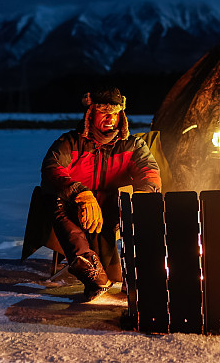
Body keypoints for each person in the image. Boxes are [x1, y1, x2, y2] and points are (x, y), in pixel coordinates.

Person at [41, 86, 162, 301]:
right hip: (77, 206)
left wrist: (144, 194)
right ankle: (89, 268)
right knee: (57, 199)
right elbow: (52, 168)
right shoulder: (70, 142)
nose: (110, 119)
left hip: (115, 207)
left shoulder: (132, 145)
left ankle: (136, 274)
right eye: (104, 113)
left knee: (138, 204)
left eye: (115, 114)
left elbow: (149, 170)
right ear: (91, 114)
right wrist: (83, 195)